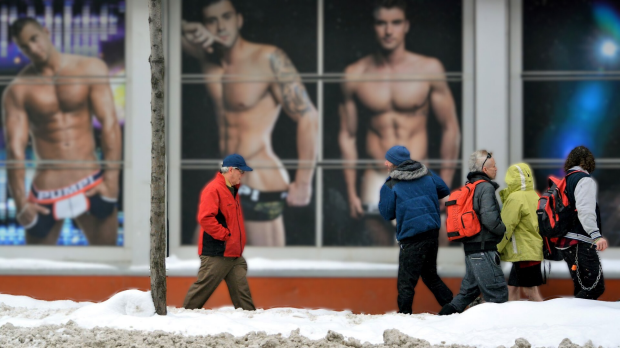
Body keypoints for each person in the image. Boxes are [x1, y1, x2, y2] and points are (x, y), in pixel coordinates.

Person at [182, 0, 318, 246]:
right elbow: (161, 28)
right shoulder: (207, 57)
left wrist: (304, 182)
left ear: (239, 20)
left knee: (264, 272)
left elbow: (308, 115)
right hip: (226, 180)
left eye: (226, 17)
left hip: (259, 179)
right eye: (212, 20)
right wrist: (189, 26)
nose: (221, 25)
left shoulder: (267, 58)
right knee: (199, 262)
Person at [339, 0, 460, 245]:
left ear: (406, 26)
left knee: (432, 254)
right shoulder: (355, 74)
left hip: (419, 177)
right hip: (376, 176)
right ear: (373, 27)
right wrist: (351, 191)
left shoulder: (428, 69)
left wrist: (444, 186)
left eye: (395, 23)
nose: (388, 30)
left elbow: (451, 129)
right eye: (381, 23)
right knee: (382, 260)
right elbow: (347, 135)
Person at [2, 18, 122, 245]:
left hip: (91, 182)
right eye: (25, 47)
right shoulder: (18, 90)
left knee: (108, 270)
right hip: (47, 191)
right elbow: (15, 150)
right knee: (38, 275)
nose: (33, 49)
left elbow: (109, 124)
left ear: (46, 32)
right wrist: (20, 203)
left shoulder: (89, 68)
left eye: (35, 39)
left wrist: (112, 180)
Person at [378, 145, 453, 314]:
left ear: (395, 163)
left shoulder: (391, 185)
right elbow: (444, 190)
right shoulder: (427, 174)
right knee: (429, 275)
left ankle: (404, 317)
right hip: (432, 233)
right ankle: (454, 307)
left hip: (412, 237)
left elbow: (387, 214)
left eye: (388, 160)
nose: (385, 164)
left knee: (406, 282)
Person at [439, 150, 508, 315]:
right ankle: (499, 332)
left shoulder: (470, 187)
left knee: (467, 293)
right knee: (498, 295)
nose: (496, 168)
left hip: (472, 250)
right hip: (484, 250)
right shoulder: (485, 188)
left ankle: (442, 319)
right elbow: (490, 219)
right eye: (493, 166)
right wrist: (503, 229)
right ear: (485, 170)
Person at [183, 154, 256, 311]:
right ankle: (181, 321)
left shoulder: (232, 190)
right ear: (231, 170)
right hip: (217, 253)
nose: (242, 175)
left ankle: (251, 322)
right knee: (200, 293)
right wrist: (226, 236)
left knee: (243, 295)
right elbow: (205, 218)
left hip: (233, 254)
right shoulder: (214, 189)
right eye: (241, 171)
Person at [554, 146, 607, 299]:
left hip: (566, 242)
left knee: (582, 286)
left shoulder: (565, 181)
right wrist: (596, 235)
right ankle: (574, 316)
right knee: (594, 287)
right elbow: (585, 210)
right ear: (588, 162)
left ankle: (579, 321)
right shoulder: (584, 180)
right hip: (581, 241)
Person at [497, 163, 544, 302]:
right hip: (532, 249)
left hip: (524, 252)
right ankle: (513, 319)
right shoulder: (535, 195)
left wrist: (497, 248)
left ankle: (547, 320)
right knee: (513, 288)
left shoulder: (515, 198)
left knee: (531, 292)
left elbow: (506, 227)